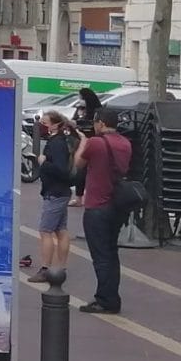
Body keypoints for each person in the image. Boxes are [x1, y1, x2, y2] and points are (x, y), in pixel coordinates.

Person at [74, 108, 133, 315]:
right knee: (111, 253)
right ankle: (112, 297)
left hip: (97, 206)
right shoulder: (125, 143)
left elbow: (78, 164)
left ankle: (105, 300)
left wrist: (82, 141)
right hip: (117, 206)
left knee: (101, 256)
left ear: (100, 123)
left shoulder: (95, 143)